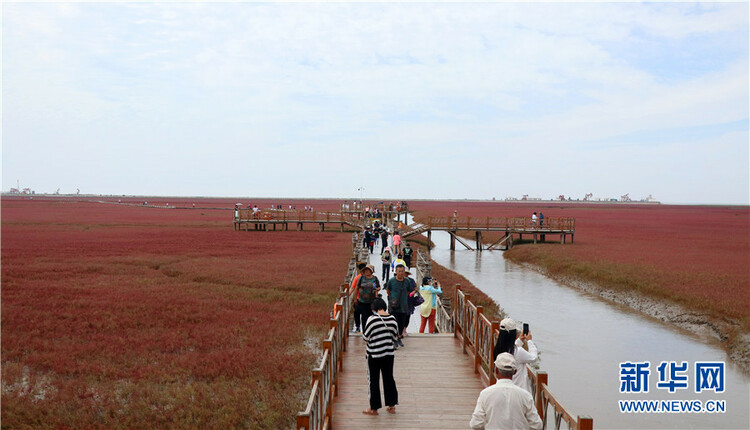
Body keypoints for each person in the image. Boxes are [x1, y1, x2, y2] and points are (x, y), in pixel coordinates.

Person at [470, 353, 543, 430]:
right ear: (515, 372)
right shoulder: (525, 395)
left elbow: (475, 424)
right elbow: (537, 425)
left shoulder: (485, 394)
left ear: (496, 370)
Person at [362, 298, 399, 416]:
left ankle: (374, 408)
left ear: (374, 309)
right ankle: (392, 406)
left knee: (373, 380)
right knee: (389, 379)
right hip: (388, 354)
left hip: (374, 354)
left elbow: (365, 337)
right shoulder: (393, 319)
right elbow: (395, 337)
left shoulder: (372, 320)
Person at [493, 318, 538, 394]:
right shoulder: (518, 351)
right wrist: (529, 341)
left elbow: (511, 348)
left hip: (501, 390)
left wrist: (520, 340)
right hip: (518, 390)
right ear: (513, 335)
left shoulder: (498, 349)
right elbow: (533, 358)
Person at [385, 264, 410, 348]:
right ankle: (393, 339)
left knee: (401, 323)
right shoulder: (391, 281)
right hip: (393, 305)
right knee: (393, 322)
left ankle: (399, 337)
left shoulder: (407, 281)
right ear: (396, 272)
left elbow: (408, 291)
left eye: (402, 271)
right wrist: (393, 299)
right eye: (399, 271)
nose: (401, 273)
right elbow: (388, 291)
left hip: (403, 305)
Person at [355, 265, 381, 332]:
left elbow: (378, 287)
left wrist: (376, 290)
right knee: (364, 316)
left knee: (371, 316)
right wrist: (355, 298)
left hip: (371, 301)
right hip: (362, 301)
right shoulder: (361, 278)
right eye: (365, 270)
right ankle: (365, 331)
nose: (366, 271)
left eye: (368, 270)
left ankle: (371, 330)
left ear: (371, 271)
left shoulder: (375, 279)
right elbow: (357, 288)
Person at [350, 262, 368, 332]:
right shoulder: (357, 278)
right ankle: (358, 327)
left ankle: (364, 329)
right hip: (358, 299)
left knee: (365, 315)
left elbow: (375, 288)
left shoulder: (370, 278)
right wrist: (347, 295)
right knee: (357, 313)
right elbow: (353, 288)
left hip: (366, 300)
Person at [403, 270, 418, 337]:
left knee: (408, 315)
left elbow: (415, 288)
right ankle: (400, 329)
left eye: (406, 273)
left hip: (410, 300)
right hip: (401, 300)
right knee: (401, 315)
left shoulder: (411, 280)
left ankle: (404, 329)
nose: (404, 274)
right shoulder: (399, 280)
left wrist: (413, 292)